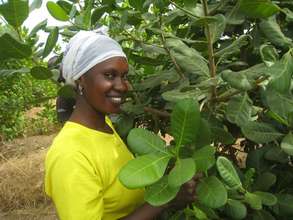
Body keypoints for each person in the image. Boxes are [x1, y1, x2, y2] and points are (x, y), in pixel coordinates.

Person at [45, 27, 199, 220]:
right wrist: (166, 199)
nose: (122, 86)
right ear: (81, 79)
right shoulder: (70, 155)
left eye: (124, 76)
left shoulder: (103, 125)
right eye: (109, 75)